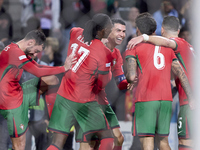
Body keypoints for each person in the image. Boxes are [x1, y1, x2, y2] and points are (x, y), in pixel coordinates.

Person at [125, 12, 193, 150]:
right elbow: (181, 73)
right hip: (166, 99)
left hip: (146, 98)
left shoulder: (134, 46)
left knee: (148, 142)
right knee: (163, 142)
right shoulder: (167, 49)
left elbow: (131, 76)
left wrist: (129, 79)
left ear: (138, 29)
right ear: (155, 30)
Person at [47, 13, 114, 150]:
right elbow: (102, 83)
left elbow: (74, 31)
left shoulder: (76, 32)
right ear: (103, 31)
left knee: (57, 144)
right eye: (110, 28)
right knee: (107, 138)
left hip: (63, 96)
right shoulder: (104, 51)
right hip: (84, 101)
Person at [0, 29, 75, 150]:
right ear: (30, 42)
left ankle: (45, 112)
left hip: (16, 93)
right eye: (36, 51)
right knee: (18, 145)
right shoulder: (16, 52)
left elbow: (38, 66)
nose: (35, 55)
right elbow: (37, 71)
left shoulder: (13, 48)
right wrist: (64, 68)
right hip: (11, 101)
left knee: (53, 80)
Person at [77, 18, 134, 150]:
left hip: (103, 101)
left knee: (119, 138)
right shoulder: (94, 46)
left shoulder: (117, 54)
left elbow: (120, 82)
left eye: (124, 31)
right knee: (92, 143)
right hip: (86, 101)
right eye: (118, 30)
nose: (122, 34)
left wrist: (130, 82)